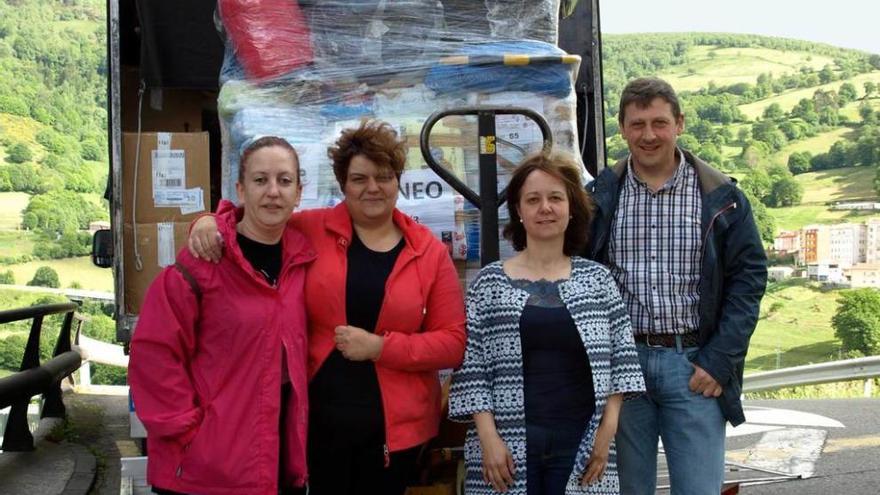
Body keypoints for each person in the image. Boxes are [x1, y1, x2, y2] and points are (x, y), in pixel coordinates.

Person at [188, 120, 467, 495]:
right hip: (316, 424)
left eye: (383, 177)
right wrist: (208, 221)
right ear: (342, 184)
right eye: (359, 178)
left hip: (396, 432)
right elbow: (256, 218)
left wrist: (382, 347)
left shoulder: (428, 252)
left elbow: (452, 343)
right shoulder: (311, 228)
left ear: (398, 181)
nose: (372, 188)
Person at [584, 77, 768, 495]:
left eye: (659, 123)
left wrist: (719, 359)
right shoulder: (600, 195)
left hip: (694, 367)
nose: (648, 135)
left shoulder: (722, 196)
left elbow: (749, 280)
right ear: (622, 127)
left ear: (679, 124)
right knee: (627, 490)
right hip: (623, 368)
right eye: (637, 124)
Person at [448, 152, 645, 495]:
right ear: (519, 211)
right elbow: (471, 369)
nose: (545, 208)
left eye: (556, 198)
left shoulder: (598, 280)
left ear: (572, 208)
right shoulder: (489, 283)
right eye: (533, 199)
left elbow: (623, 361)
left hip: (581, 442)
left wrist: (606, 433)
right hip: (506, 446)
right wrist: (489, 438)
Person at [129, 136, 314, 495]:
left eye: (284, 180)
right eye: (260, 180)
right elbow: (154, 353)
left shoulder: (302, 261)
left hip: (276, 460)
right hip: (203, 470)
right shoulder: (204, 263)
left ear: (299, 193)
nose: (273, 191)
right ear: (240, 190)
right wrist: (189, 432)